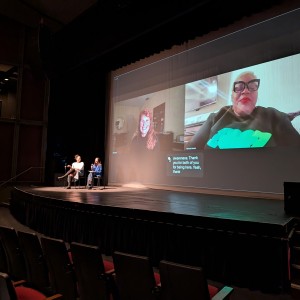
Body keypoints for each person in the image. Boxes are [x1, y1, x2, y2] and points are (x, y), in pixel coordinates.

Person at [186, 71, 300, 150]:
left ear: (256, 95)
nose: (245, 91)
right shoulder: (215, 117)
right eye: (239, 87)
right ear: (231, 96)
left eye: (252, 87)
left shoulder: (273, 116)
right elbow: (191, 151)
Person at [130, 108, 160, 181]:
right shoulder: (134, 140)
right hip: (136, 178)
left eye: (147, 121)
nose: (144, 124)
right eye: (142, 121)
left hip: (150, 179)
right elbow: (131, 161)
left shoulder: (155, 140)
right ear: (139, 122)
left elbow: (157, 164)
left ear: (150, 123)